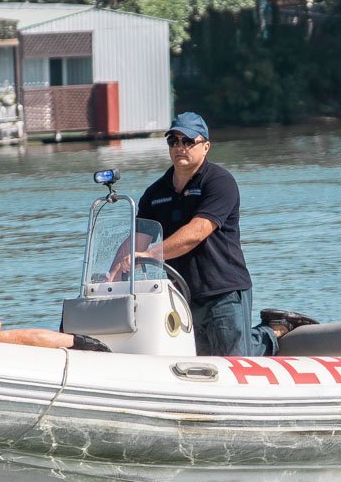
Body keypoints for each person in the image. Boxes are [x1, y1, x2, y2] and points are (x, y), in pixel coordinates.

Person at [132, 111, 316, 356]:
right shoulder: (155, 193)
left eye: (188, 141)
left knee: (234, 358)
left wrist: (150, 254)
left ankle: (273, 331)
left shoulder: (219, 182)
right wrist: (115, 273)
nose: (180, 147)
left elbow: (197, 232)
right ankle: (265, 331)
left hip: (223, 290)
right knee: (204, 362)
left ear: (206, 147)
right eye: (173, 141)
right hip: (182, 294)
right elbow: (137, 241)